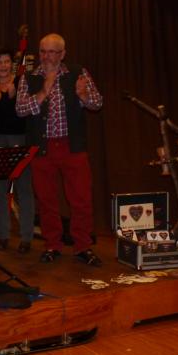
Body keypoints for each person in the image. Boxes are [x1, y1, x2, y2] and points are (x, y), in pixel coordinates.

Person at [15, 33, 103, 266]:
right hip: (42, 148)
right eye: (43, 51)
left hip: (72, 146)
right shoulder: (30, 77)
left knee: (81, 199)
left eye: (52, 52)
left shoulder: (77, 73)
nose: (46, 57)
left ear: (63, 54)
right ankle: (52, 245)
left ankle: (82, 246)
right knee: (46, 201)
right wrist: (43, 91)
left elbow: (97, 103)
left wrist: (83, 95)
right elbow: (20, 110)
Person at [0, 46, 35, 254]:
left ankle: (26, 237)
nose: (3, 66)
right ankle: (3, 235)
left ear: (11, 64)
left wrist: (14, 97)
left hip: (20, 139)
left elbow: (27, 114)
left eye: (6, 61)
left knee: (24, 189)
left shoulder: (23, 84)